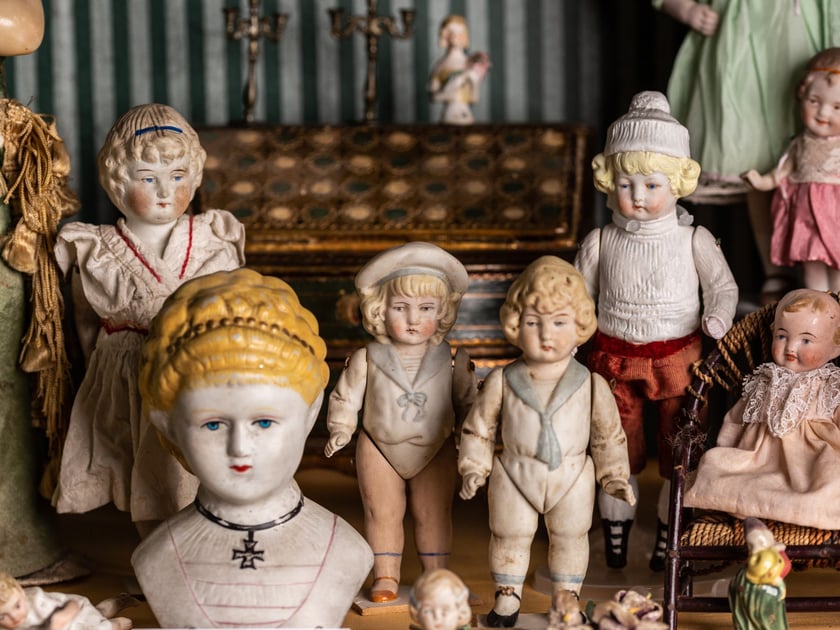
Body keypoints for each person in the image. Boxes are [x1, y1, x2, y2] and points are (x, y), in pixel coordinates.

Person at [132, 268, 373, 628]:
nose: (240, 448)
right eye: (213, 424)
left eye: (263, 422)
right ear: (168, 426)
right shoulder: (158, 557)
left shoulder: (346, 550)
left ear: (311, 415)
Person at [51, 104, 245, 532]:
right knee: (144, 473)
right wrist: (98, 364)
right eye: (147, 178)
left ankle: (204, 543)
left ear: (194, 177)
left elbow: (236, 309)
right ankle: (154, 548)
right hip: (129, 373)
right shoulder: (95, 249)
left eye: (177, 176)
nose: (164, 191)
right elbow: (84, 320)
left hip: (197, 372)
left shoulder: (213, 239)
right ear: (118, 183)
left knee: (200, 467)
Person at [574, 90, 738, 571]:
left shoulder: (693, 239)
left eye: (651, 184)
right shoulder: (601, 241)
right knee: (614, 447)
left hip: (679, 361)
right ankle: (617, 538)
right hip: (613, 358)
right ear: (609, 183)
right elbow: (576, 294)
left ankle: (671, 536)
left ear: (678, 182)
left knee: (679, 447)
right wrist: (572, 332)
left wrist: (717, 317)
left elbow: (723, 287)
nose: (639, 196)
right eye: (626, 184)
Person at [458, 256, 636, 627]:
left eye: (559, 322)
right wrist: (474, 467)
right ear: (514, 325)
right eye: (532, 323)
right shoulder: (502, 381)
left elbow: (608, 436)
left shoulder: (591, 384)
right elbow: (479, 429)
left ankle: (567, 598)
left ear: (580, 325)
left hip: (571, 475)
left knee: (571, 537)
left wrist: (614, 476)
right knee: (508, 536)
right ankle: (507, 598)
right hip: (516, 473)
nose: (545, 334)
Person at [655, 0, 840, 300]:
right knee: (757, 155)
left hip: (813, 32)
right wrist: (684, 7)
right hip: (747, 36)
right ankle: (775, 269)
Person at [325, 241, 476, 603]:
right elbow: (346, 396)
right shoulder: (367, 358)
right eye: (400, 308)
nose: (412, 319)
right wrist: (341, 428)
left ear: (442, 312)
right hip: (379, 447)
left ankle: (436, 575)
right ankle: (386, 575)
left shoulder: (453, 360)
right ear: (379, 310)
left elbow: (469, 404)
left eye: (426, 308)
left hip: (435, 448)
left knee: (434, 512)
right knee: (382, 512)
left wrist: (472, 439)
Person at [685, 288, 840, 529]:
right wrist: (726, 448)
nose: (791, 347)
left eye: (806, 340)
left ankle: (780, 513)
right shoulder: (765, 378)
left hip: (809, 466)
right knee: (716, 468)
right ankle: (756, 521)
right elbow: (736, 419)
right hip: (755, 460)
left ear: (835, 348)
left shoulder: (829, 385)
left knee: (831, 482)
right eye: (782, 336)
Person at [743, 48, 840, 293]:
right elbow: (781, 173)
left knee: (837, 270)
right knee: (812, 269)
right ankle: (817, 310)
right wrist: (761, 181)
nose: (823, 112)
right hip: (807, 220)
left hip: (836, 220)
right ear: (801, 95)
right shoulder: (799, 144)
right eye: (814, 101)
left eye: (837, 107)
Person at [0, 572, 133, 630]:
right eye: (2, 616)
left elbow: (72, 605)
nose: (14, 617)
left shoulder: (38, 602)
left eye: (17, 606)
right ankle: (120, 601)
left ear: (21, 591)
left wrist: (58, 620)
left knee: (98, 616)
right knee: (99, 611)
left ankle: (116, 624)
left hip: (74, 617)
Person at [427, 15, 491, 125]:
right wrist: (450, 88)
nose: (454, 36)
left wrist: (474, 82)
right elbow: (434, 97)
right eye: (450, 31)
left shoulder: (469, 64)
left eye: (458, 32)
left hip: (465, 116)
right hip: (447, 117)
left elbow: (474, 98)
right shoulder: (440, 65)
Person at [729, 518, 791, 630]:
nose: (755, 550)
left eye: (760, 543)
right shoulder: (744, 574)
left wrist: (778, 587)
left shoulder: (775, 561)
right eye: (750, 546)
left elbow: (778, 589)